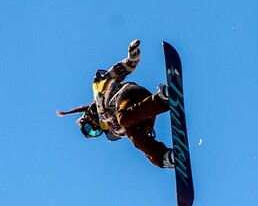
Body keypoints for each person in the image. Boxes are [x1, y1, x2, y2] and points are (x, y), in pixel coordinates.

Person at [58, 39, 175, 169]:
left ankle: (163, 99)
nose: (95, 127)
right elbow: (126, 132)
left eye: (88, 127)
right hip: (144, 113)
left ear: (85, 117)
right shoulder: (112, 130)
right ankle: (164, 157)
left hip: (128, 95)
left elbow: (124, 68)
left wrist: (133, 55)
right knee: (135, 137)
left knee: (124, 119)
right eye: (94, 133)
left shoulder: (100, 89)